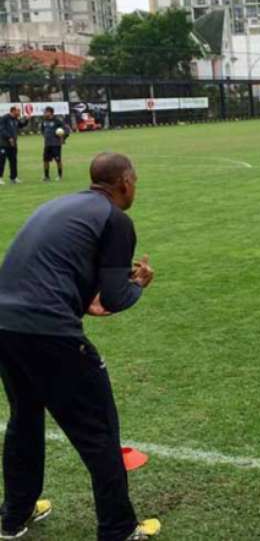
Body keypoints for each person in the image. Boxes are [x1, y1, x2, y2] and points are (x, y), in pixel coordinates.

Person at [0, 153, 160, 541]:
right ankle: (119, 529)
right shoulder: (116, 220)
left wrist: (84, 296)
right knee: (99, 431)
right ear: (123, 182)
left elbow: (56, 268)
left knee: (25, 418)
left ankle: (12, 517)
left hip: (5, 324)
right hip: (49, 331)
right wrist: (138, 283)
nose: (134, 186)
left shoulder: (60, 204)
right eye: (134, 180)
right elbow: (117, 297)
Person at [0, 106, 29, 185]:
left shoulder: (16, 119)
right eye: (18, 111)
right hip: (3, 144)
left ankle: (13, 178)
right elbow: (2, 130)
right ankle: (0, 178)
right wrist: (9, 137)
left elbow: (21, 125)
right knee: (1, 161)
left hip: (13, 144)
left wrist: (26, 120)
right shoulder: (4, 118)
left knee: (13, 161)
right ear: (13, 111)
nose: (19, 113)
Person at [41, 106, 70, 182]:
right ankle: (46, 176)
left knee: (58, 160)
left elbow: (67, 130)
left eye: (46, 112)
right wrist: (45, 135)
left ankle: (60, 176)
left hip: (56, 145)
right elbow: (42, 130)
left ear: (50, 112)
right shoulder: (44, 121)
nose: (44, 113)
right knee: (45, 160)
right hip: (47, 144)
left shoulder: (57, 121)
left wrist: (63, 138)